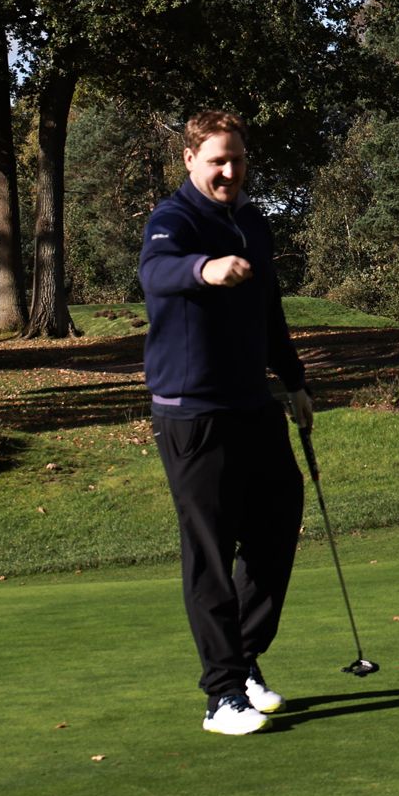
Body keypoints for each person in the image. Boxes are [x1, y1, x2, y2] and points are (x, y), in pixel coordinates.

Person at [140, 110, 315, 736]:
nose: (230, 171)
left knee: (277, 527)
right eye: (217, 160)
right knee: (211, 553)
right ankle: (221, 696)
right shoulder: (173, 219)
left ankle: (241, 661)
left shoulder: (253, 222)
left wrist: (293, 380)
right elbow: (155, 272)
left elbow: (269, 311)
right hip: (192, 412)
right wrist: (203, 269)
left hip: (253, 403)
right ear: (190, 159)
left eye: (237, 159)